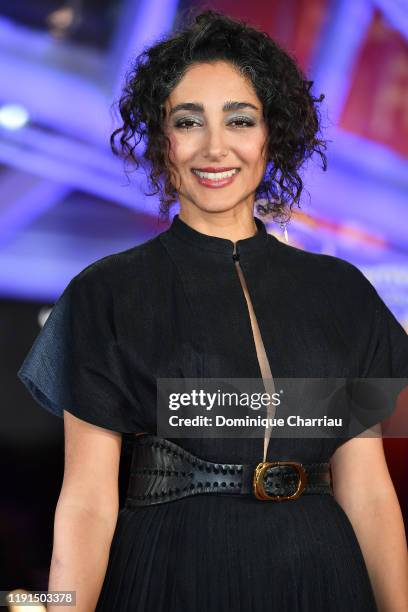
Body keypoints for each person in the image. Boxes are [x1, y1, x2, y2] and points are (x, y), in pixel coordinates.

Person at [17, 9, 408, 612]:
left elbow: (368, 487)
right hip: (174, 568)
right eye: (188, 121)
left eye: (240, 120)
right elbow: (88, 499)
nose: (215, 146)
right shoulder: (108, 291)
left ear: (270, 134)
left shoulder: (341, 290)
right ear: (161, 138)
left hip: (322, 571)